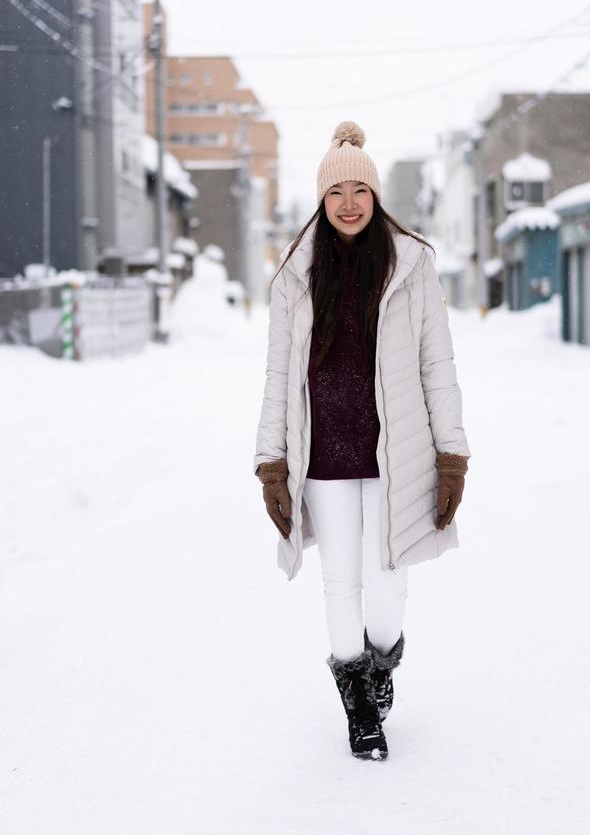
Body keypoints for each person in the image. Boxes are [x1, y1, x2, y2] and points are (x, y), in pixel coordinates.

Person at [253, 120, 471, 761]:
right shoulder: (295, 276)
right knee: (339, 583)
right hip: (322, 455)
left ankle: (381, 668)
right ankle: (360, 707)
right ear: (320, 201)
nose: (349, 203)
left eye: (360, 190)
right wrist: (271, 462)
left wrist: (451, 452)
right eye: (336, 192)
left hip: (394, 453)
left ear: (376, 198)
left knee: (388, 582)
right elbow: (276, 378)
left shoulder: (412, 267)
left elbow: (438, 365)